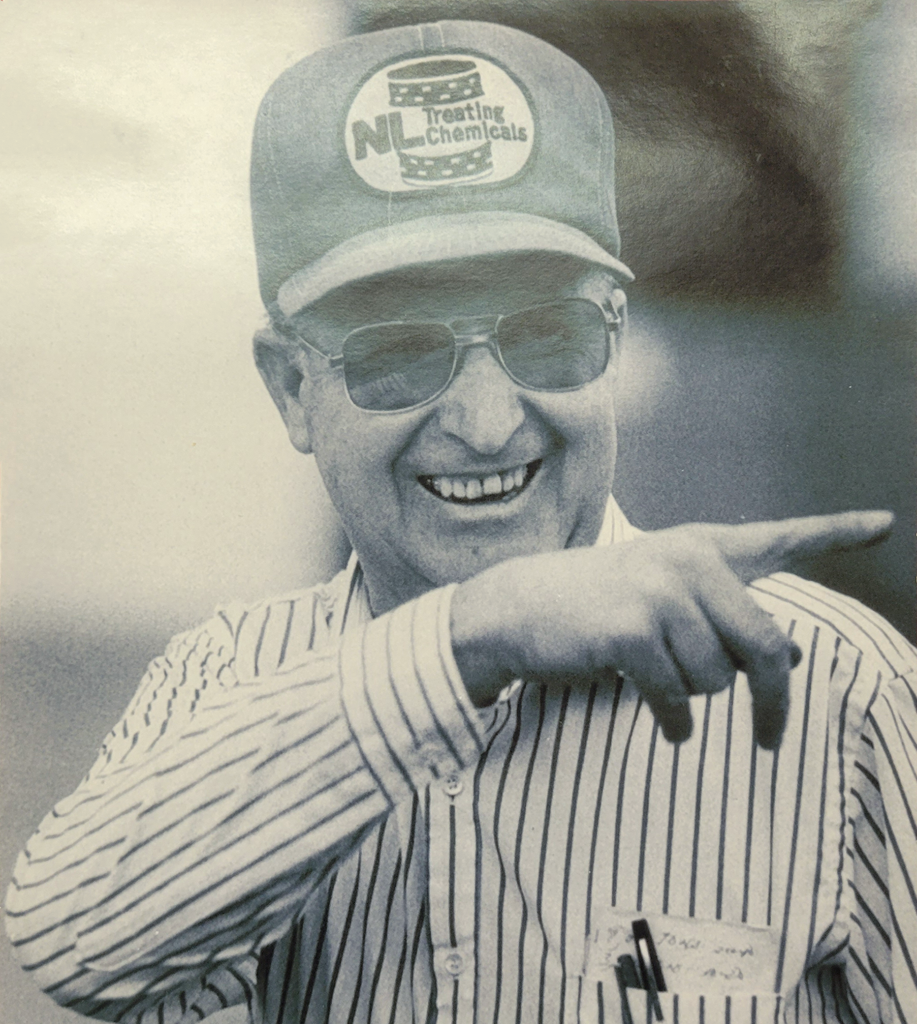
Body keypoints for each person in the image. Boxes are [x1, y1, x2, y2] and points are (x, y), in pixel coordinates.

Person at [5, 19, 915, 1024]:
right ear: (292, 388)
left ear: (613, 342)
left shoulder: (831, 681)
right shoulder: (232, 675)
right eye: (397, 352)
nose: (485, 424)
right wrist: (470, 636)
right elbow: (76, 946)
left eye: (547, 335)